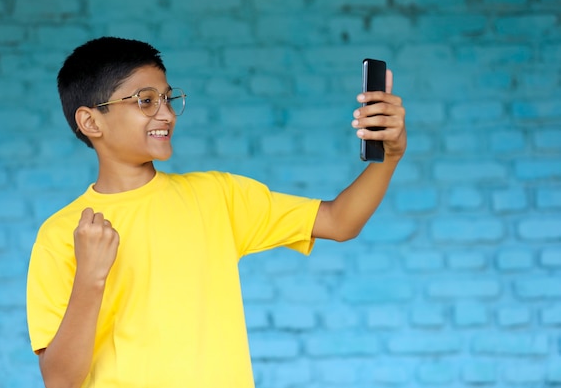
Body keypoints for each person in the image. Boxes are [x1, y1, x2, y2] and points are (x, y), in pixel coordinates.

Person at [26, 36, 407, 388]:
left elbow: (340, 221)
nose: (167, 114)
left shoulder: (217, 196)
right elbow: (60, 380)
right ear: (91, 121)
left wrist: (389, 157)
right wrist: (90, 278)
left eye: (168, 98)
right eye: (145, 101)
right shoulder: (62, 234)